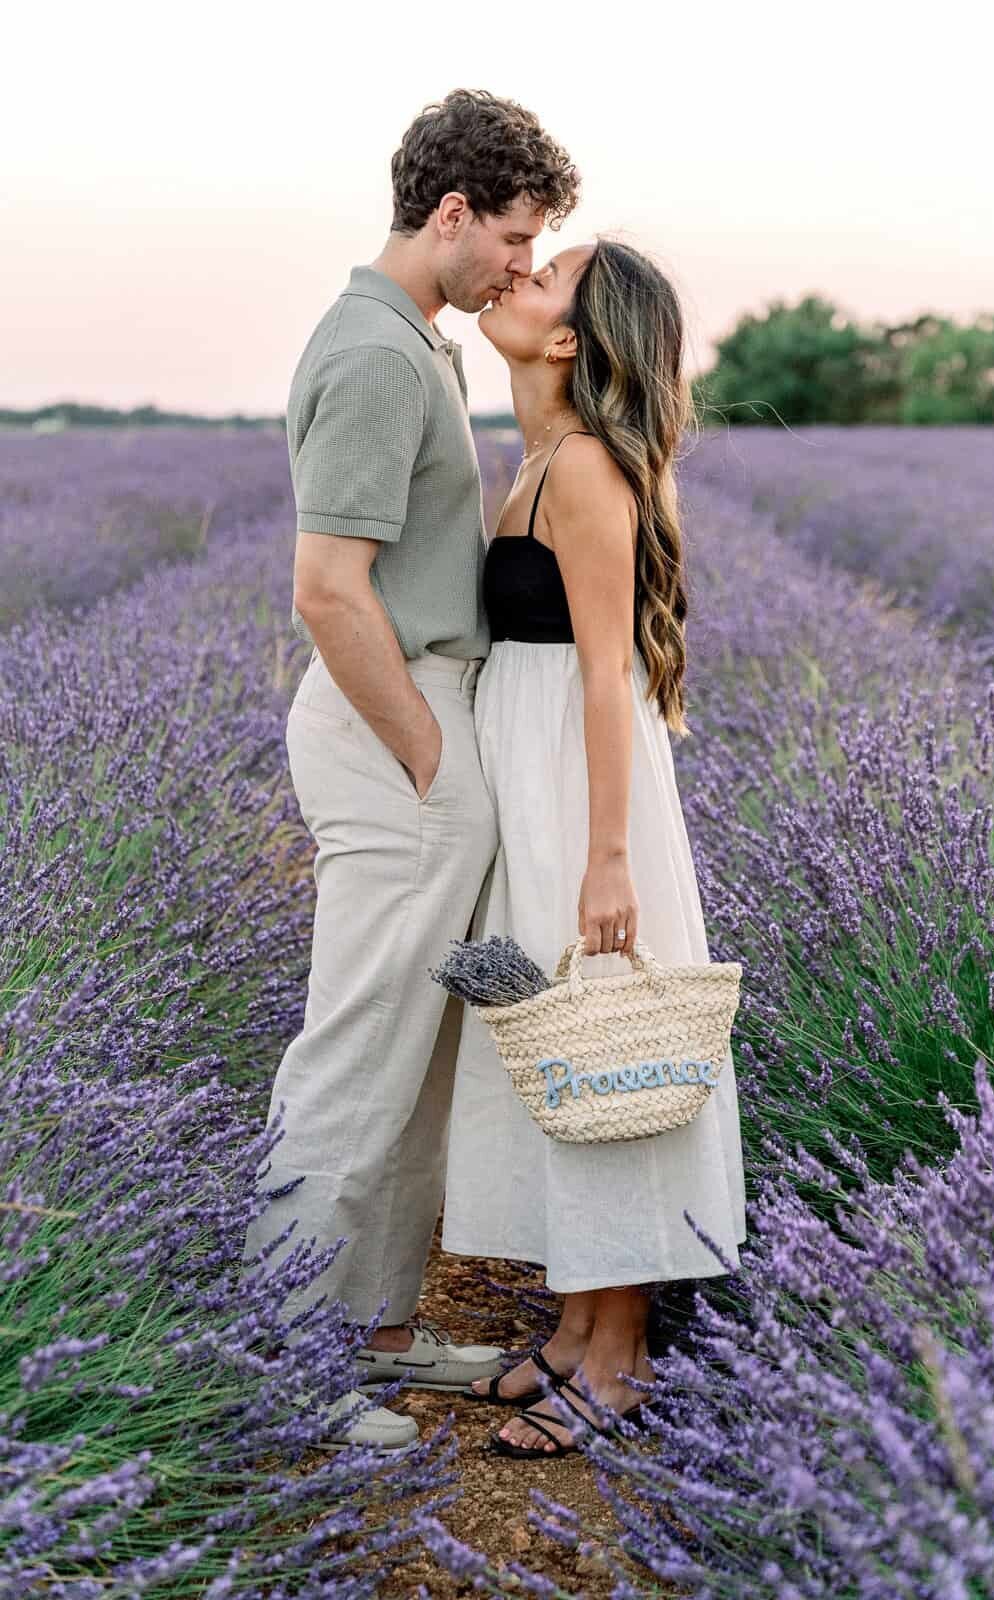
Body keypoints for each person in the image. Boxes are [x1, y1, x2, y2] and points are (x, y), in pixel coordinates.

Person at [241, 88, 580, 1450]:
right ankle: (283, 1364)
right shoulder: (380, 357)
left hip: (416, 721)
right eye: (511, 235)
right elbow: (329, 590)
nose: (519, 264)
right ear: (449, 213)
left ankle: (376, 1326)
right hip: (395, 731)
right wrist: (433, 758)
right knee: (358, 1047)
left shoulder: (413, 343)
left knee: (420, 1047)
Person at [440, 239, 748, 1459]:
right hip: (538, 776)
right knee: (560, 1049)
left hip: (582, 786)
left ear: (568, 340)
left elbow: (605, 673)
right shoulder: (536, 463)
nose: (514, 279)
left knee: (607, 1049)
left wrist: (605, 854)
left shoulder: (580, 476)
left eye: (542, 277)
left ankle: (617, 1357)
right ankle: (575, 1319)